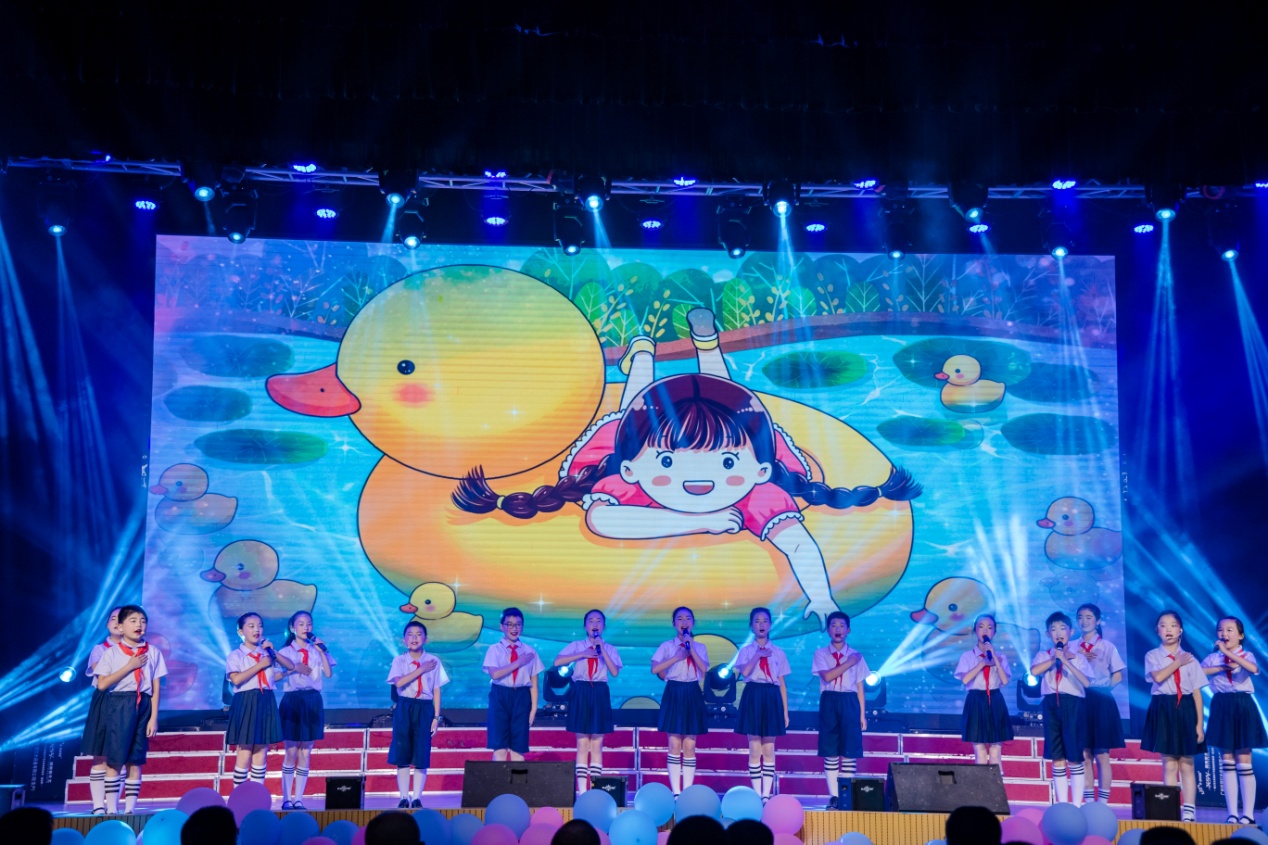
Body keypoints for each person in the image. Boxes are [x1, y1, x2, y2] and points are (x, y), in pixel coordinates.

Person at [453, 308, 920, 630]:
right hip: (648, 436)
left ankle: (693, 347)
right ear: (631, 472)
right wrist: (703, 519)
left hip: (728, 433)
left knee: (724, 399)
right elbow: (603, 519)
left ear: (761, 471)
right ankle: (646, 356)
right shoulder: (624, 475)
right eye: (669, 465)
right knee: (636, 407)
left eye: (728, 467)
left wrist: (822, 598)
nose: (702, 480)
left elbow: (798, 543)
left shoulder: (760, 490)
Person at [92, 603, 167, 813]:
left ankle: (130, 811)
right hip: (119, 703)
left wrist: (153, 718)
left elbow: (156, 687)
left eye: (142, 621)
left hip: (143, 704)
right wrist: (129, 666)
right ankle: (111, 810)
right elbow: (102, 684)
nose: (138, 625)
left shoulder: (153, 652)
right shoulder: (112, 653)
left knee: (136, 760)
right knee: (115, 759)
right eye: (133, 621)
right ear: (121, 626)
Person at [1141, 610, 1208, 822]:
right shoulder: (1152, 656)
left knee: (1187, 763)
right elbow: (1159, 677)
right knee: (1169, 762)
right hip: (1163, 707)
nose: (1168, 629)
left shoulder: (1191, 659)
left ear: (1180, 630)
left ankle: (1189, 810)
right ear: (1157, 630)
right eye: (1163, 625)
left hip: (1186, 708)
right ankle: (1169, 808)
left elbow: (1197, 694)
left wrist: (1199, 725)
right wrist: (1177, 661)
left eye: (1173, 625)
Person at [1200, 615, 1264, 824]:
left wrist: (1228, 653)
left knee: (1244, 759)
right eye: (1221, 629)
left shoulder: (1247, 655)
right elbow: (1198, 673)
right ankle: (1232, 813)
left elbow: (1253, 669)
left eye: (1229, 630)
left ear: (1240, 635)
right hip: (1221, 704)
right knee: (1226, 760)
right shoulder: (1213, 657)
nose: (1224, 633)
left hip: (1242, 704)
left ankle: (1248, 814)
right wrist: (1222, 665)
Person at [554, 609, 622, 793]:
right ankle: (583, 792)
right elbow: (558, 662)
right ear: (585, 626)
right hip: (581, 690)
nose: (595, 624)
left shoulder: (610, 648)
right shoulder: (577, 645)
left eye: (598, 621)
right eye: (591, 621)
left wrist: (602, 650)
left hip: (600, 691)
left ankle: (596, 790)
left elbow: (614, 672)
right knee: (582, 742)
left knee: (597, 742)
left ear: (603, 626)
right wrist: (582, 654)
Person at [225, 611, 293, 790]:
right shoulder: (236, 655)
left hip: (266, 701)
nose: (257, 630)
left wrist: (273, 652)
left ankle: (257, 795)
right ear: (241, 632)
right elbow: (236, 679)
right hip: (246, 701)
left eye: (260, 626)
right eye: (251, 626)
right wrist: (261, 665)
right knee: (244, 751)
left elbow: (290, 666)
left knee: (261, 752)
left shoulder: (268, 654)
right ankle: (239, 796)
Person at [1030, 611, 1092, 806]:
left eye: (1062, 628)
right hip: (1050, 704)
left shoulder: (1078, 657)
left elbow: (1086, 682)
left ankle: (1077, 805)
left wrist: (1065, 661)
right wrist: (1054, 659)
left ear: (1071, 632)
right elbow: (1034, 671)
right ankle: (1063, 804)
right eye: (1053, 629)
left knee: (1074, 756)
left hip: (1072, 705)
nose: (1058, 633)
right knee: (1056, 755)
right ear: (1048, 634)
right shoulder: (1043, 655)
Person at [275, 610, 335, 810]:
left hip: (312, 700)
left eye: (308, 624)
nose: (305, 627)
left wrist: (321, 651)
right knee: (291, 751)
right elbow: (274, 676)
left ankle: (298, 799)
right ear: (292, 628)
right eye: (300, 624)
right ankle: (286, 799)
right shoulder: (285, 652)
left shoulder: (316, 650)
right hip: (292, 700)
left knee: (305, 752)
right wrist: (293, 668)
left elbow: (328, 673)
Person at [387, 620, 450, 808]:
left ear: (426, 639)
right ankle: (403, 797)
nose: (414, 638)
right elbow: (399, 683)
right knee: (403, 753)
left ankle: (416, 798)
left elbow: (437, 690)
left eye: (418, 634)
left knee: (421, 753)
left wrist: (436, 717)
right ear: (404, 640)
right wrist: (421, 669)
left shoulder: (434, 661)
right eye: (410, 634)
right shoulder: (399, 661)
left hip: (424, 708)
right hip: (404, 706)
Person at [811, 610, 868, 809]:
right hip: (829, 700)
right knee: (831, 750)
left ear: (848, 630)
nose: (838, 629)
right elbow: (827, 676)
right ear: (828, 630)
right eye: (834, 625)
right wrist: (849, 662)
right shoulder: (821, 654)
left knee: (850, 750)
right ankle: (834, 796)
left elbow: (860, 686)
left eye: (842, 625)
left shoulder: (857, 656)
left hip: (850, 700)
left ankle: (847, 796)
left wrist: (862, 714)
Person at [734, 607, 790, 801]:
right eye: (757, 621)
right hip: (753, 694)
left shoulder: (779, 652)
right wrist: (757, 655)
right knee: (754, 748)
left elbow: (782, 683)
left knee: (768, 748)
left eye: (765, 621)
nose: (761, 625)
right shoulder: (746, 651)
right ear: (751, 626)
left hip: (771, 696)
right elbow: (744, 672)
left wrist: (785, 711)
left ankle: (766, 795)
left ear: (770, 625)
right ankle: (757, 794)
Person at [652, 605, 710, 796]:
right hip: (674, 690)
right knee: (674, 743)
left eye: (687, 618)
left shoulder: (699, 647)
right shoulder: (667, 646)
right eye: (680, 619)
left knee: (690, 744)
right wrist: (676, 657)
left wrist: (691, 647)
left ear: (693, 623)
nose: (684, 622)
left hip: (692, 691)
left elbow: (704, 669)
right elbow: (655, 669)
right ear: (673, 623)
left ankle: (688, 792)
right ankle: (676, 793)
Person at [1075, 603, 1127, 804]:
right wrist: (1078, 658)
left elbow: (1118, 676)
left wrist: (1103, 691)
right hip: (1079, 699)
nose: (1084, 621)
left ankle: (1103, 803)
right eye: (1080, 617)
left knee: (1102, 754)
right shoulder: (1072, 647)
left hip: (1101, 700)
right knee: (1084, 753)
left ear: (1097, 621)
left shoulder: (1107, 646)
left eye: (1089, 617)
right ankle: (1089, 802)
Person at [483, 608, 543, 761]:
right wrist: (518, 662)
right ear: (501, 626)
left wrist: (534, 708)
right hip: (500, 695)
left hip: (522, 697)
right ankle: (498, 777)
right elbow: (494, 674)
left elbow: (534, 682)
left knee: (518, 748)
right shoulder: (494, 650)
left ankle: (517, 778)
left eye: (518, 624)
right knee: (500, 748)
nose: (514, 628)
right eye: (509, 624)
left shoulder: (530, 651)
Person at [79, 604, 123, 814]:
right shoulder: (100, 648)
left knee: (120, 757)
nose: (116, 622)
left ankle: (113, 807)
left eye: (121, 618)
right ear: (107, 624)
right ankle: (98, 806)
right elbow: (101, 672)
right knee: (100, 755)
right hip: (104, 702)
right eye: (113, 618)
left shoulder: (138, 650)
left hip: (126, 702)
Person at [954, 614, 1014, 766]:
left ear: (994, 632)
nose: (985, 630)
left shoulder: (1000, 656)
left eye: (989, 627)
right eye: (981, 627)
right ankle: (981, 782)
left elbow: (1004, 681)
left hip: (995, 699)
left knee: (995, 752)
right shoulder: (967, 656)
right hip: (976, 700)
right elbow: (965, 680)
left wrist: (994, 658)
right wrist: (983, 663)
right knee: (980, 751)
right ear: (975, 630)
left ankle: (997, 781)